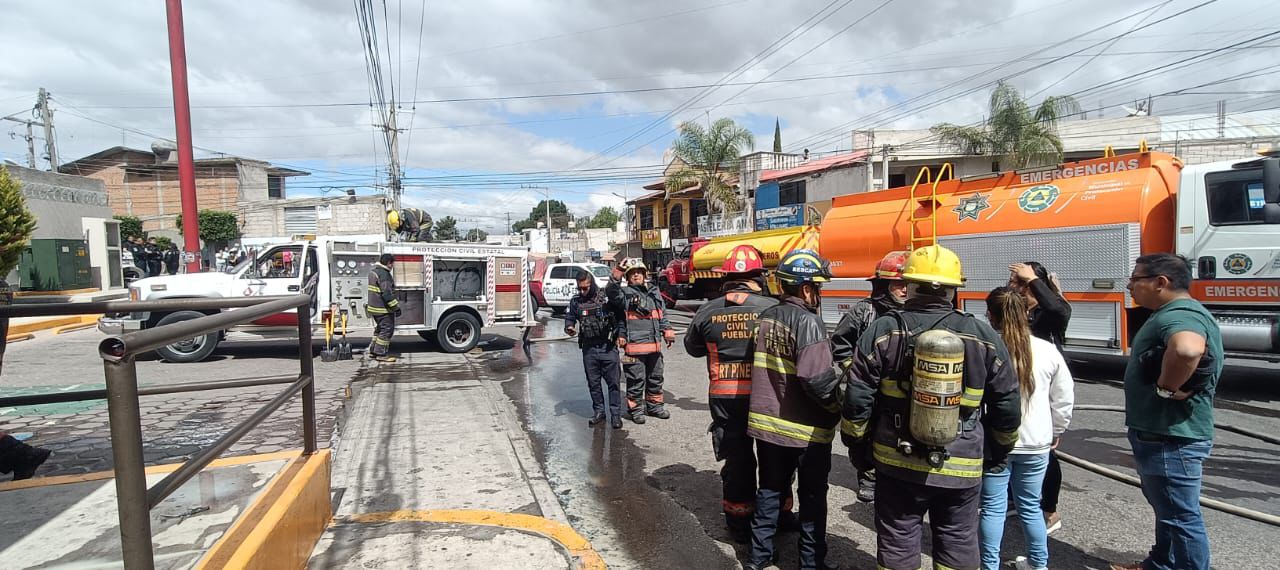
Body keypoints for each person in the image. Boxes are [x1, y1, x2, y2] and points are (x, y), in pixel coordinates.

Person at [841, 245, 1021, 570]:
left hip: (896, 461)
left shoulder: (883, 330)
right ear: (953, 290)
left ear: (909, 285)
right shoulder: (982, 335)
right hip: (962, 465)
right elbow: (1007, 403)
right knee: (958, 542)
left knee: (897, 541)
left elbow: (857, 400)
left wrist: (858, 447)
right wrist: (996, 452)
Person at [1111, 254, 1222, 570]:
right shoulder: (1172, 312)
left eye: (1136, 279)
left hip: (1170, 437)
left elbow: (1188, 349)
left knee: (1181, 517)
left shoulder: (1181, 314)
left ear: (1161, 282)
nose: (1130, 285)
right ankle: (1161, 564)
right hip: (1165, 435)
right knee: (1170, 512)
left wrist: (1165, 387)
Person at [744, 249, 841, 570]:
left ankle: (758, 559)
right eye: (818, 287)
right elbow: (816, 379)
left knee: (770, 491)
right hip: (806, 432)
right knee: (812, 499)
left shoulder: (765, 318)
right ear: (805, 288)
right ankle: (811, 564)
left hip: (766, 426)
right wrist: (835, 408)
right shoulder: (809, 322)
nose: (820, 294)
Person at [684, 245, 788, 543]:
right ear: (758, 275)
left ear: (725, 277)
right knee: (775, 459)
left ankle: (740, 522)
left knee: (738, 461)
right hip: (767, 398)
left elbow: (692, 349)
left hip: (726, 399)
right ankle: (777, 516)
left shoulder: (708, 309)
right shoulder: (772, 307)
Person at [978, 287, 1074, 570]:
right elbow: (1063, 398)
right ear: (1028, 312)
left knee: (993, 508)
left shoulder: (988, 348)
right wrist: (1057, 430)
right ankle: (1038, 564)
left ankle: (989, 566)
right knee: (1030, 507)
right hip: (1037, 442)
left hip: (997, 440)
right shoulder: (1047, 350)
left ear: (990, 316)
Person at [831, 250, 909, 503]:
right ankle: (868, 476)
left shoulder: (915, 314)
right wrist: (854, 371)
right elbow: (840, 344)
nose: (905, 290)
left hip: (900, 391)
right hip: (869, 390)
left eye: (909, 284)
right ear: (884, 285)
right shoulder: (863, 311)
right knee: (863, 435)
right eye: (898, 284)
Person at [1008, 261, 1072, 533]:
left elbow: (1059, 308)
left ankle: (1049, 510)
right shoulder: (1020, 310)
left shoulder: (1049, 314)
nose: (1015, 286)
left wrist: (1033, 280)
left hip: (1042, 388)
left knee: (1045, 452)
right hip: (1017, 386)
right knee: (1014, 446)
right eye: (1014, 281)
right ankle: (1015, 498)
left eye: (1020, 283)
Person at [608, 258, 675, 423]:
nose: (636, 275)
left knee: (655, 378)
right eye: (632, 273)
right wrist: (617, 272)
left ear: (645, 275)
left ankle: (654, 407)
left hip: (655, 347)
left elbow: (662, 314)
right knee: (636, 380)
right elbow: (611, 292)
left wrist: (667, 330)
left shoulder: (654, 293)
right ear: (627, 277)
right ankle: (635, 410)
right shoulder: (624, 294)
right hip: (634, 348)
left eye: (639, 272)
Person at [565, 269, 626, 429]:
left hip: (608, 347)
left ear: (592, 284)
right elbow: (570, 317)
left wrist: (622, 335)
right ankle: (599, 412)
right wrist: (569, 327)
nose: (582, 291)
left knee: (613, 383)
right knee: (594, 383)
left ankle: (615, 415)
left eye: (585, 288)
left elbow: (620, 317)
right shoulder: (576, 301)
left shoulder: (606, 298)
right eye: (580, 288)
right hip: (589, 349)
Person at [366, 253, 401, 362]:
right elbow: (386, 294)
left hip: (374, 308)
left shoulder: (374, 272)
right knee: (386, 330)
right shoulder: (384, 275)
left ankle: (373, 351)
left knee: (380, 329)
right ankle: (381, 354)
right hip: (383, 309)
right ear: (389, 263)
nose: (392, 266)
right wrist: (396, 307)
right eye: (392, 264)